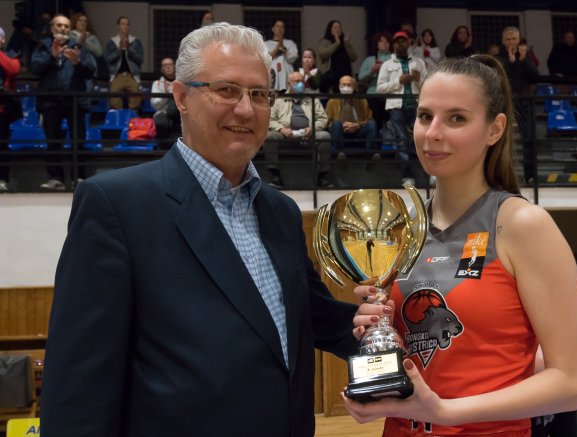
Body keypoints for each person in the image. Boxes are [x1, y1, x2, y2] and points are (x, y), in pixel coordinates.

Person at [39, 22, 359, 436]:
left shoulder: (279, 211)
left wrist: (385, 326)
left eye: (259, 94)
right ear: (181, 97)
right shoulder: (116, 205)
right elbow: (78, 385)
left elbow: (312, 317)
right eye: (226, 90)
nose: (245, 109)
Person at [344, 54, 577, 436]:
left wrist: (444, 411)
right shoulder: (401, 232)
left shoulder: (523, 225)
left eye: (456, 118)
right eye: (425, 116)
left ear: (494, 130)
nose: (433, 133)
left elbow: (576, 384)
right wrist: (379, 344)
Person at [30, 14, 96, 190]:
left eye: (66, 26)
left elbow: (92, 70)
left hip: (75, 101)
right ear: (52, 28)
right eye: (59, 25)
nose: (63, 29)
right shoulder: (43, 46)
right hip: (50, 101)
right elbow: (35, 69)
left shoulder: (79, 47)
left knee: (78, 140)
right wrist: (51, 56)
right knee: (53, 141)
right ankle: (55, 178)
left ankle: (79, 178)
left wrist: (77, 62)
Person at [263, 71, 333, 189]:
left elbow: (323, 118)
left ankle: (322, 177)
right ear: (289, 83)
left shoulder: (312, 99)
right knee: (269, 136)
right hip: (286, 137)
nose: (300, 84)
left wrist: (313, 128)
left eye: (302, 81)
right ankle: (275, 176)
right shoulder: (279, 100)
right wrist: (282, 129)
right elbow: (270, 119)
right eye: (297, 82)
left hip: (308, 136)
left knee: (325, 136)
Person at [377, 30, 427, 187]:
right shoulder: (387, 65)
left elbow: (428, 86)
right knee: (401, 142)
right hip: (396, 106)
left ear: (408, 43)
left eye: (403, 41)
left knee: (423, 140)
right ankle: (407, 177)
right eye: (397, 41)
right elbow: (379, 88)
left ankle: (431, 174)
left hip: (417, 106)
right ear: (394, 45)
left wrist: (418, 80)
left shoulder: (418, 62)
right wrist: (399, 82)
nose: (400, 44)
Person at [498, 26, 538, 184]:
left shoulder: (526, 55)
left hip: (524, 100)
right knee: (501, 140)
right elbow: (500, 75)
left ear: (519, 39)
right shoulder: (499, 56)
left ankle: (530, 175)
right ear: (503, 41)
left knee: (529, 138)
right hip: (504, 101)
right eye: (508, 39)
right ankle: (502, 176)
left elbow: (535, 76)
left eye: (514, 39)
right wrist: (511, 61)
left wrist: (522, 61)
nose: (511, 42)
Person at [325, 74, 378, 155]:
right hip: (341, 131)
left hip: (358, 130)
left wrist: (358, 125)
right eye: (344, 85)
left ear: (353, 87)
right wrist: (341, 126)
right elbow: (327, 122)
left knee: (372, 123)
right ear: (339, 86)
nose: (346, 87)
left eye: (349, 85)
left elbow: (368, 119)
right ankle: (340, 153)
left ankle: (370, 154)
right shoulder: (332, 101)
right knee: (336, 124)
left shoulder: (362, 101)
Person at [104, 16, 144, 110]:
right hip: (117, 75)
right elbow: (108, 60)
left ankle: (132, 116)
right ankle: (119, 117)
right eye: (123, 24)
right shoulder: (112, 41)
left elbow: (140, 59)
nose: (125, 26)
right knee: (114, 97)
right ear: (118, 26)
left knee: (136, 95)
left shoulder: (135, 41)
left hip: (132, 75)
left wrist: (129, 49)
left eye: (127, 24)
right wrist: (119, 50)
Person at [0, 26, 21, 192]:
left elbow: (13, 69)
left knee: (1, 147)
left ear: (3, 40)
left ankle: (2, 179)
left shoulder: (11, 55)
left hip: (2, 110)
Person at [358, 31, 393, 129]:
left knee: (389, 122)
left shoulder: (394, 59)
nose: (384, 44)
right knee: (374, 120)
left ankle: (387, 141)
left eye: (387, 42)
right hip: (372, 94)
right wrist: (372, 70)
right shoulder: (369, 60)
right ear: (376, 44)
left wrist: (385, 70)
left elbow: (398, 78)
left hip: (389, 95)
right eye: (381, 41)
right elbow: (360, 78)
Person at [317, 20, 358, 93]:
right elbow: (322, 54)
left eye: (339, 27)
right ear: (330, 30)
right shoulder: (325, 41)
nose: (338, 29)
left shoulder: (345, 43)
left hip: (346, 76)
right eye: (335, 27)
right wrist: (337, 43)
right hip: (331, 77)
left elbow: (354, 58)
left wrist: (347, 44)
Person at [150, 57, 180, 143]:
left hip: (178, 114)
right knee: (160, 121)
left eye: (170, 64)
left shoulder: (181, 82)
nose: (168, 67)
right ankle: (161, 147)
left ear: (174, 67)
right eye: (165, 65)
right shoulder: (157, 83)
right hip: (162, 112)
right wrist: (165, 94)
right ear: (161, 69)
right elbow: (155, 105)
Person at [70, 13, 103, 88]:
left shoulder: (92, 37)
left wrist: (85, 41)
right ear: (75, 22)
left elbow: (99, 52)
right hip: (72, 70)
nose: (82, 23)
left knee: (87, 97)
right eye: (80, 20)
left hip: (89, 71)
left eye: (85, 21)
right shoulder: (69, 35)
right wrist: (79, 41)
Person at [265, 19, 298, 92]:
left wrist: (285, 50)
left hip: (286, 79)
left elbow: (292, 58)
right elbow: (265, 59)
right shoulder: (266, 44)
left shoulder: (290, 43)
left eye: (282, 27)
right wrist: (277, 48)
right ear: (273, 29)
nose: (280, 29)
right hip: (272, 79)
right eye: (277, 26)